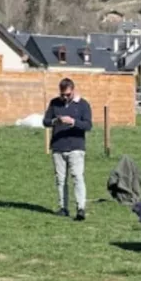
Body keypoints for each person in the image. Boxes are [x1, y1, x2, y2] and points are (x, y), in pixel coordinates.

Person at [44, 77, 93, 220]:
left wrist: (73, 122)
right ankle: (63, 207)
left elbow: (88, 125)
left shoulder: (83, 105)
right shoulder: (54, 103)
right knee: (60, 179)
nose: (65, 97)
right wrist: (55, 121)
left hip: (76, 147)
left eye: (68, 94)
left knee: (77, 177)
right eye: (62, 95)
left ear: (73, 90)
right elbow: (45, 121)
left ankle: (80, 208)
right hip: (58, 147)